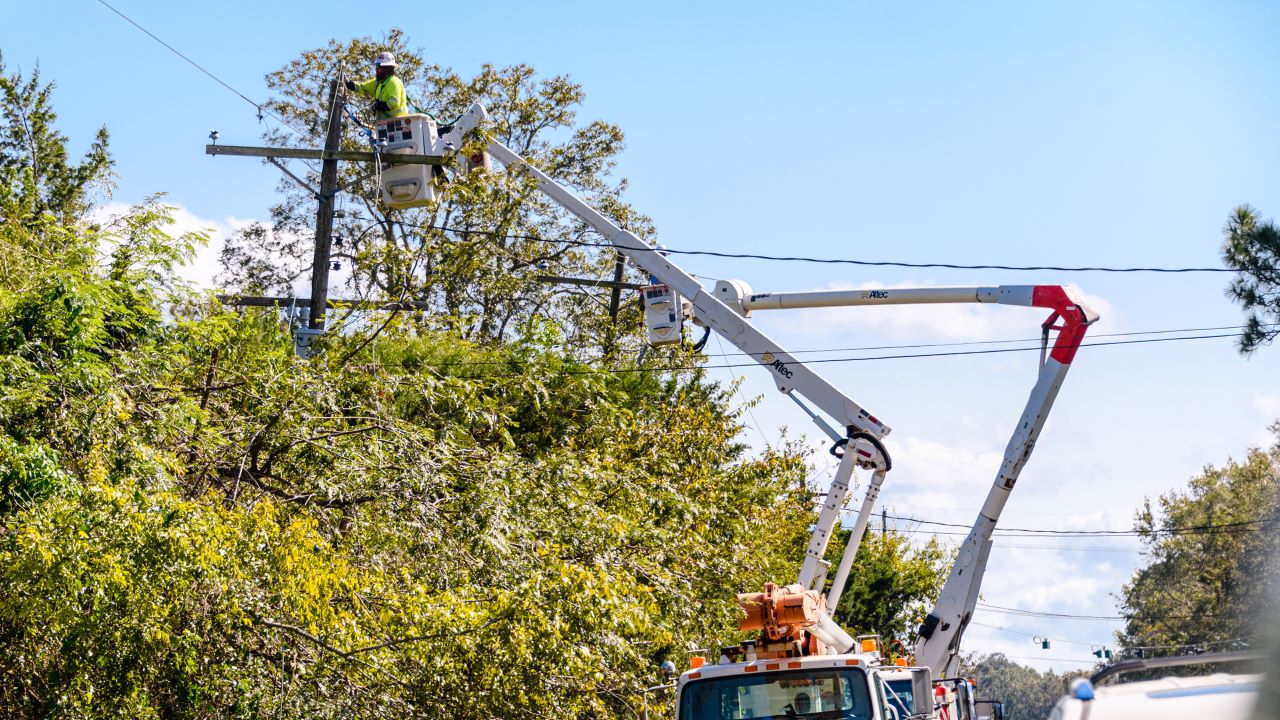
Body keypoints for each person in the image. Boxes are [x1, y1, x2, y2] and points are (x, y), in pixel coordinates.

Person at [345, 52, 408, 120]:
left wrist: (379, 106)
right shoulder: (378, 83)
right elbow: (361, 87)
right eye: (376, 67)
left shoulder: (394, 82)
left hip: (399, 123)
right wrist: (348, 82)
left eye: (379, 67)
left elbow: (393, 103)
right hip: (384, 124)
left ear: (387, 69)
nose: (376, 69)